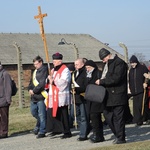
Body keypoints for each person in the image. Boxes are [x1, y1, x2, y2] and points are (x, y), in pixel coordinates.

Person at [97, 48, 128, 144]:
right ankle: (118, 135)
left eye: (103, 59)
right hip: (108, 95)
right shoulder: (107, 64)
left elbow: (116, 78)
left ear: (108, 56)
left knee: (118, 118)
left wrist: (102, 81)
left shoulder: (119, 63)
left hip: (118, 94)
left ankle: (121, 138)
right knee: (107, 116)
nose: (103, 61)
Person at [46, 52, 72, 139]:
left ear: (60, 61)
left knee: (63, 114)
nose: (53, 62)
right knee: (53, 113)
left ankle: (67, 131)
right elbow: (49, 79)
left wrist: (53, 81)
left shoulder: (65, 70)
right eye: (53, 60)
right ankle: (56, 129)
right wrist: (49, 79)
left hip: (61, 96)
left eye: (55, 60)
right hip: (53, 94)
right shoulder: (53, 70)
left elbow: (64, 82)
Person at [84, 60, 105, 143]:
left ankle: (97, 135)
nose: (87, 69)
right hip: (90, 98)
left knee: (95, 118)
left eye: (89, 67)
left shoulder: (98, 73)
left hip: (96, 98)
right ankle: (99, 135)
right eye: (86, 68)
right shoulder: (87, 74)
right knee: (95, 118)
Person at [28, 56, 48, 138]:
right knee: (34, 112)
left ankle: (42, 131)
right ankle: (40, 125)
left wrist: (34, 91)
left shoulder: (44, 70)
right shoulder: (35, 71)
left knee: (42, 114)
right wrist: (29, 89)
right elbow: (31, 82)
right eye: (34, 64)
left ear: (41, 62)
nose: (35, 66)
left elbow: (42, 84)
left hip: (41, 96)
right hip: (34, 97)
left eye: (36, 64)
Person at [72, 58, 90, 141]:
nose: (75, 66)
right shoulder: (74, 73)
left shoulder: (85, 72)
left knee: (83, 116)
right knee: (74, 114)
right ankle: (87, 128)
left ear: (82, 64)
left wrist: (77, 89)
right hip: (75, 97)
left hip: (82, 97)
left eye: (77, 64)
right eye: (75, 64)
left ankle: (83, 134)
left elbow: (85, 86)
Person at [129, 55, 149, 126]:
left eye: (133, 63)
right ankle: (138, 120)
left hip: (141, 90)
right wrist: (131, 89)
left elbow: (147, 77)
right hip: (134, 91)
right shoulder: (131, 70)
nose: (132, 64)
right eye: (131, 63)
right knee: (136, 106)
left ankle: (145, 118)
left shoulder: (142, 68)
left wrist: (146, 83)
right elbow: (130, 81)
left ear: (136, 62)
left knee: (142, 105)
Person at [0, 62, 12, 139]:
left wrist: (8, 99)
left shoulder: (5, 74)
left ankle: (4, 132)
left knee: (3, 117)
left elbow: (8, 87)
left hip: (3, 99)